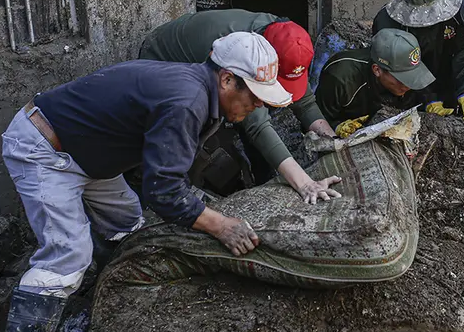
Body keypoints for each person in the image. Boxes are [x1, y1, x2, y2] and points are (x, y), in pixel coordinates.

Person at [0, 33, 339, 332]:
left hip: (87, 152)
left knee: (127, 223)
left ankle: (103, 303)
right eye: (254, 95)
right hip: (47, 150)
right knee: (68, 253)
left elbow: (160, 177)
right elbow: (162, 190)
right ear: (227, 79)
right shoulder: (187, 101)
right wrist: (219, 224)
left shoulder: (201, 93)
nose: (259, 104)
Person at [140, 10, 340, 201]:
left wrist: (334, 141)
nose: (260, 103)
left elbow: (304, 102)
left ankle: (261, 177)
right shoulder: (242, 49)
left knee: (248, 120)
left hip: (215, 73)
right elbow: (258, 126)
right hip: (163, 62)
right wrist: (304, 183)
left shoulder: (285, 38)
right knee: (209, 152)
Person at [372, 0, 464, 120]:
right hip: (411, 90)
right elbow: (397, 74)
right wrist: (428, 99)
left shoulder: (459, 6)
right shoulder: (387, 24)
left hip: (452, 76)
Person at [316, 28, 436, 137]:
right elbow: (315, 119)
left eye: (412, 77)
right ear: (377, 70)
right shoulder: (341, 78)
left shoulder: (405, 71)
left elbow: (421, 93)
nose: (409, 85)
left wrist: (430, 101)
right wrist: (337, 127)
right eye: (402, 79)